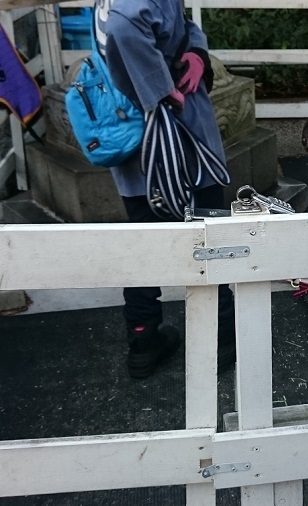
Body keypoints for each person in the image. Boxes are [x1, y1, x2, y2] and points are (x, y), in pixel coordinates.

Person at [94, 0, 235, 378]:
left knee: (143, 246)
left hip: (132, 139)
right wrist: (157, 89)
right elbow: (125, 25)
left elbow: (178, 23)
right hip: (176, 134)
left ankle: (143, 340)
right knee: (209, 241)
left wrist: (196, 52)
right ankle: (221, 338)